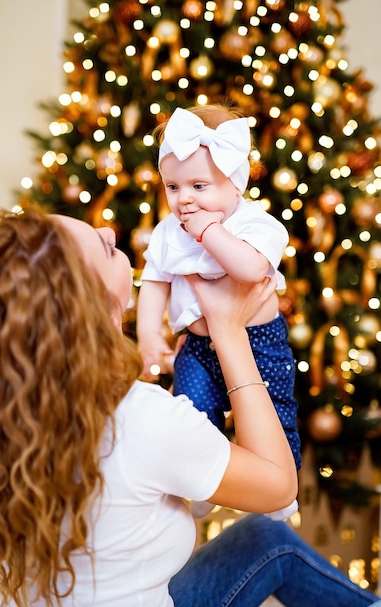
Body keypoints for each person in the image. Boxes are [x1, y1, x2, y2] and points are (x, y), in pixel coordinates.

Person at [0, 206, 377, 607]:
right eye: (107, 248)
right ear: (101, 313)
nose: (110, 229)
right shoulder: (137, 419)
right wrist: (229, 331)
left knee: (265, 536)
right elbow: (278, 486)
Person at [137, 104, 300, 519]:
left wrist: (210, 232)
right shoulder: (168, 232)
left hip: (260, 342)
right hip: (196, 343)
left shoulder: (255, 225)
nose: (185, 200)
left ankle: (284, 484)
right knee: (191, 408)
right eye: (173, 188)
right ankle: (205, 480)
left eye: (198, 185)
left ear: (235, 184)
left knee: (274, 409)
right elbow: (155, 280)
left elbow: (250, 269)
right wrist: (149, 336)